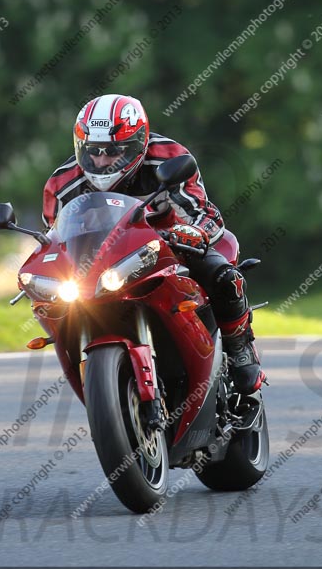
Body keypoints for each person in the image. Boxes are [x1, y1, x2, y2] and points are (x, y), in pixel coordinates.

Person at [42, 94, 265, 395]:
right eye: (93, 152)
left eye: (114, 152)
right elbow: (55, 238)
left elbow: (204, 212)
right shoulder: (62, 184)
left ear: (138, 142)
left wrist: (194, 232)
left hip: (170, 247)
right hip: (102, 264)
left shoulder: (170, 158)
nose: (102, 161)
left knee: (223, 274)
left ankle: (240, 348)